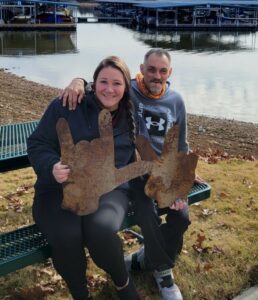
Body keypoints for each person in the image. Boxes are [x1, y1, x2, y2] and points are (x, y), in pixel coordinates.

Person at [61, 48, 203, 300]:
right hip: (136, 171)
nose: (156, 75)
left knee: (181, 217)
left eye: (162, 71)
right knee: (147, 213)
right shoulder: (130, 91)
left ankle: (142, 258)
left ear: (169, 73)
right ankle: (163, 273)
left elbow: (181, 144)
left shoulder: (176, 101)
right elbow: (104, 83)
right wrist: (78, 81)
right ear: (141, 69)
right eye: (151, 69)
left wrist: (186, 174)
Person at [27, 56, 151, 300]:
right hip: (59, 190)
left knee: (101, 229)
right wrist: (51, 167)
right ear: (93, 83)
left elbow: (147, 152)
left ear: (126, 87)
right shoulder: (68, 104)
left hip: (109, 189)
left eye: (117, 83)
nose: (109, 89)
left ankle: (123, 285)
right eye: (103, 81)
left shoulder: (131, 113)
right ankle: (80, 294)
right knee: (67, 235)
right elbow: (37, 143)